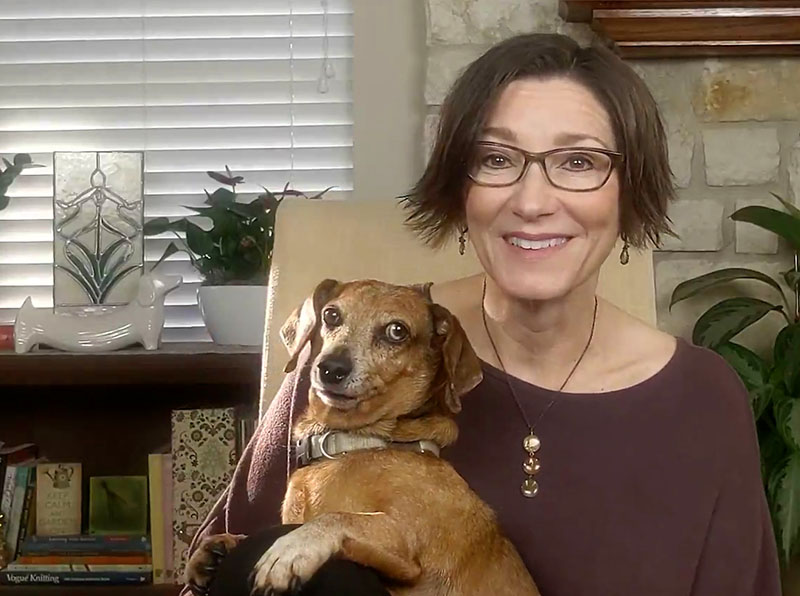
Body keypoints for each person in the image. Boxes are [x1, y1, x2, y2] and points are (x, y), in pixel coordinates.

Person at [184, 33, 780, 596]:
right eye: (497, 159)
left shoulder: (701, 400)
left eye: (578, 162)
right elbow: (219, 578)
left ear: (628, 192)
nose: (532, 201)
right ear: (460, 189)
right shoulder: (349, 360)